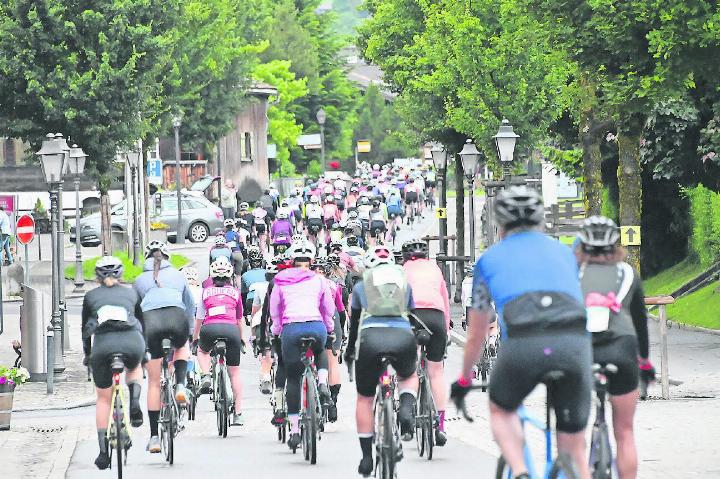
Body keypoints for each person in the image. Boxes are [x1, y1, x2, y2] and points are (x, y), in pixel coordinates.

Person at [451, 186, 593, 479]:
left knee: (502, 410)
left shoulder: (487, 261)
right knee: (574, 444)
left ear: (499, 224)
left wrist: (465, 378)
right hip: (573, 345)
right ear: (541, 220)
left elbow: (478, 331)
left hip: (524, 344)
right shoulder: (565, 253)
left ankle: (519, 471)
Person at [575, 216, 655, 479]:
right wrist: (644, 362)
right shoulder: (628, 273)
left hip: (581, 353)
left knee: (572, 432)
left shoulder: (571, 274)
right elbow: (641, 323)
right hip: (622, 351)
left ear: (582, 246)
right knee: (625, 432)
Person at [344, 245, 419, 476]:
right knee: (408, 376)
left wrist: (349, 352)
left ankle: (367, 457)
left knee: (365, 399)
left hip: (371, 339)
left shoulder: (360, 287)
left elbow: (354, 326)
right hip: (402, 336)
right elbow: (413, 316)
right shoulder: (404, 284)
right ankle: (406, 408)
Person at [270, 241, 336, 450]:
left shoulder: (280, 281)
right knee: (320, 351)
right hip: (316, 326)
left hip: (291, 329)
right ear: (311, 262)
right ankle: (323, 383)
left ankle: (295, 430)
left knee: (293, 378)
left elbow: (275, 311)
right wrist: (329, 328)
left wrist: (277, 331)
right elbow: (328, 308)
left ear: (291, 262)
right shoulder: (319, 280)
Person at [82, 256, 145, 470]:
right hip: (131, 342)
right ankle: (134, 400)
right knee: (135, 367)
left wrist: (88, 355)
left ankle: (102, 452)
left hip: (103, 346)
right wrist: (143, 353)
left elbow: (85, 332)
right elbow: (141, 323)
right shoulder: (131, 293)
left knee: (103, 398)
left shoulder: (91, 296)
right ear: (121, 273)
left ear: (97, 276)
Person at [134, 241, 195, 454]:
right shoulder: (178, 276)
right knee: (182, 346)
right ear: (167, 259)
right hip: (176, 317)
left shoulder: (140, 279)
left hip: (151, 323)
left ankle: (153, 438)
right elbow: (190, 306)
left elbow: (135, 312)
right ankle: (179, 385)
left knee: (152, 383)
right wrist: (188, 331)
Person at [401, 239, 451, 446]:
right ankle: (440, 427)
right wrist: (445, 330)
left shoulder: (402, 270)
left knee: (408, 370)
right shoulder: (435, 269)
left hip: (412, 316)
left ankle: (407, 410)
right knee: (436, 372)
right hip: (436, 317)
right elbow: (445, 301)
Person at [193, 256, 246, 426]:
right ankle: (238, 413)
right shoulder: (235, 293)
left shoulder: (205, 292)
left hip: (210, 328)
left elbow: (199, 319)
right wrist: (242, 338)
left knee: (203, 351)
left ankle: (206, 375)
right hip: (231, 330)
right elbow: (239, 319)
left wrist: (195, 338)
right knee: (235, 373)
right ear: (230, 275)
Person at [311, 257, 347, 422]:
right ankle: (333, 404)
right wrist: (343, 332)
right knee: (333, 363)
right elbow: (341, 311)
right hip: (332, 322)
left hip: (312, 320)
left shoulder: (304, 285)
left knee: (310, 356)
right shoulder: (335, 286)